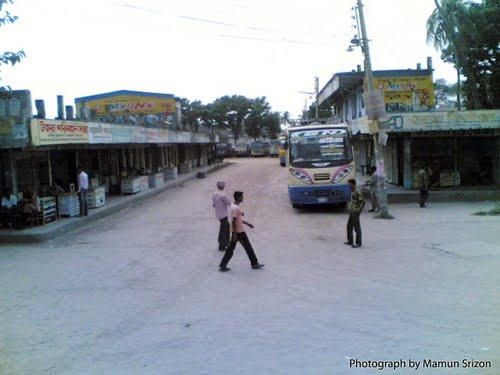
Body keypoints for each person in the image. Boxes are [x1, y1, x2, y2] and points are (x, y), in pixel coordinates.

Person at [219, 191, 264, 272]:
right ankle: (254, 263)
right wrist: (236, 234)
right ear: (239, 197)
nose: (243, 198)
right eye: (242, 196)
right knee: (248, 248)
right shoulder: (237, 209)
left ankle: (222, 265)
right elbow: (233, 221)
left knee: (231, 249)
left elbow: (237, 219)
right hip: (239, 232)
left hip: (236, 232)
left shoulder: (233, 206)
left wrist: (247, 224)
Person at [345, 179, 365, 248]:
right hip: (352, 212)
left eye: (350, 184)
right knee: (349, 226)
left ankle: (358, 243)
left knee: (357, 228)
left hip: (355, 212)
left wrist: (359, 211)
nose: (348, 185)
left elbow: (363, 202)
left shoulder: (357, 192)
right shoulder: (353, 191)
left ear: (353, 184)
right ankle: (350, 241)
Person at [212, 181, 231, 251]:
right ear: (223, 187)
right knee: (224, 229)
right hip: (223, 215)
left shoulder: (214, 194)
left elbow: (214, 205)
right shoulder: (223, 195)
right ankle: (222, 245)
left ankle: (224, 244)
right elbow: (229, 204)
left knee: (225, 228)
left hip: (218, 214)